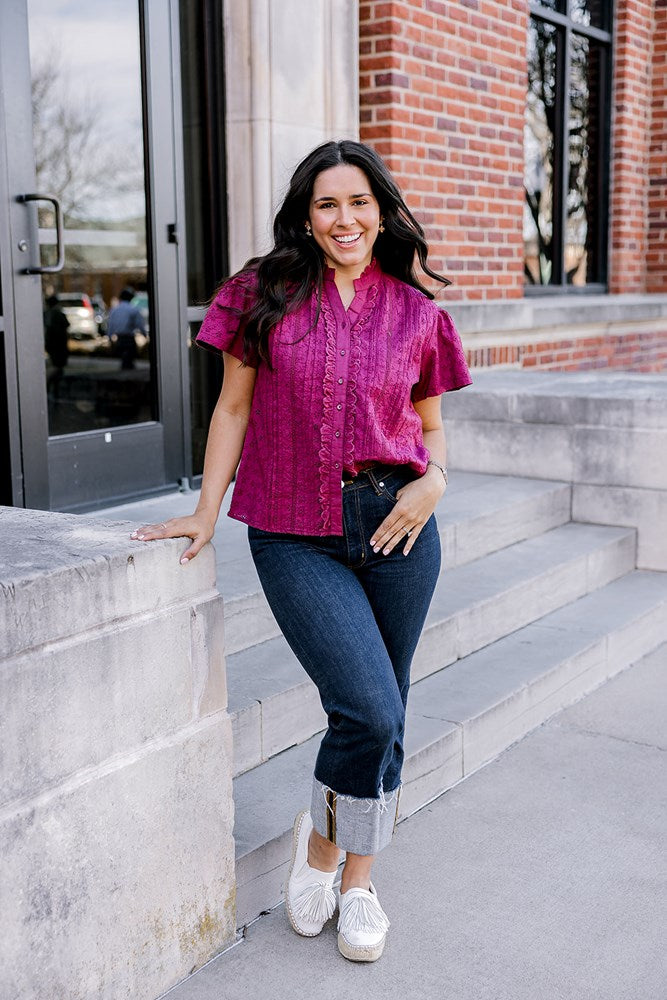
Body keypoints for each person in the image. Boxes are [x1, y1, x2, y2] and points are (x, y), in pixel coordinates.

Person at [131, 140, 472, 962]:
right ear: (306, 215)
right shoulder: (263, 294)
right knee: (370, 708)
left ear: (381, 210)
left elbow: (429, 431)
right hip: (292, 529)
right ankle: (322, 851)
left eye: (359, 202)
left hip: (400, 528)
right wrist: (206, 511)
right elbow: (232, 411)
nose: (344, 219)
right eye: (327, 204)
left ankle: (354, 878)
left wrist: (434, 483)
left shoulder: (416, 312)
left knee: (384, 715)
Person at [107, 286, 146, 369]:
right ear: (131, 298)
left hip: (119, 338)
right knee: (130, 360)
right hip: (129, 338)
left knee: (124, 360)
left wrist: (110, 338)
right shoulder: (133, 310)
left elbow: (110, 325)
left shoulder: (114, 310)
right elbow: (140, 324)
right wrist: (144, 335)